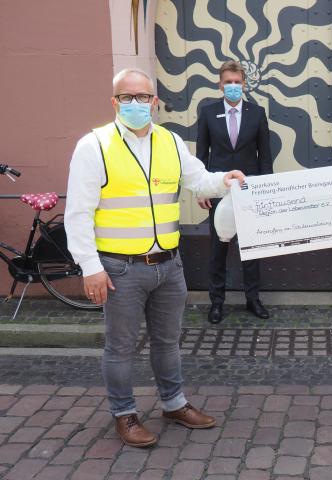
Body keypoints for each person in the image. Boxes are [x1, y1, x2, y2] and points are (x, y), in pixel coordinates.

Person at [65, 68, 245, 448]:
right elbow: (78, 214)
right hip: (119, 269)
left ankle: (174, 403)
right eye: (127, 97)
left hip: (169, 264)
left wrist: (225, 180)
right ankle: (124, 414)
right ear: (114, 102)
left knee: (167, 341)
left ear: (155, 101)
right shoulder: (94, 146)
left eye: (143, 97)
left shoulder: (170, 141)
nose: (136, 103)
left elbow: (199, 180)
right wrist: (90, 267)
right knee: (121, 346)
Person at [196, 60, 273, 324]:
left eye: (237, 82)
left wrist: (265, 189)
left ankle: (253, 299)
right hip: (218, 190)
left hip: (249, 190)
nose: (232, 86)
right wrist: (201, 189)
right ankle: (217, 302)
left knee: (251, 247)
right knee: (218, 249)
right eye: (228, 82)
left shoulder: (257, 113)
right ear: (220, 85)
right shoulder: (208, 113)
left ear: (244, 84)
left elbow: (265, 156)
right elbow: (201, 157)